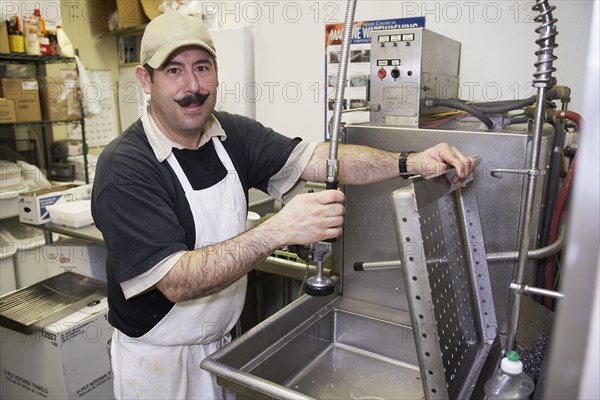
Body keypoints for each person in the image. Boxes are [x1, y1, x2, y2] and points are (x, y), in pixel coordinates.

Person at [91, 11, 476, 400]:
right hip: (159, 366)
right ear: (145, 79)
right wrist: (280, 229)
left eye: (202, 67)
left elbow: (322, 159)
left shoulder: (232, 135)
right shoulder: (124, 168)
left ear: (217, 71)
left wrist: (409, 161)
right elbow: (176, 281)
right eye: (174, 71)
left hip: (221, 344)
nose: (193, 86)